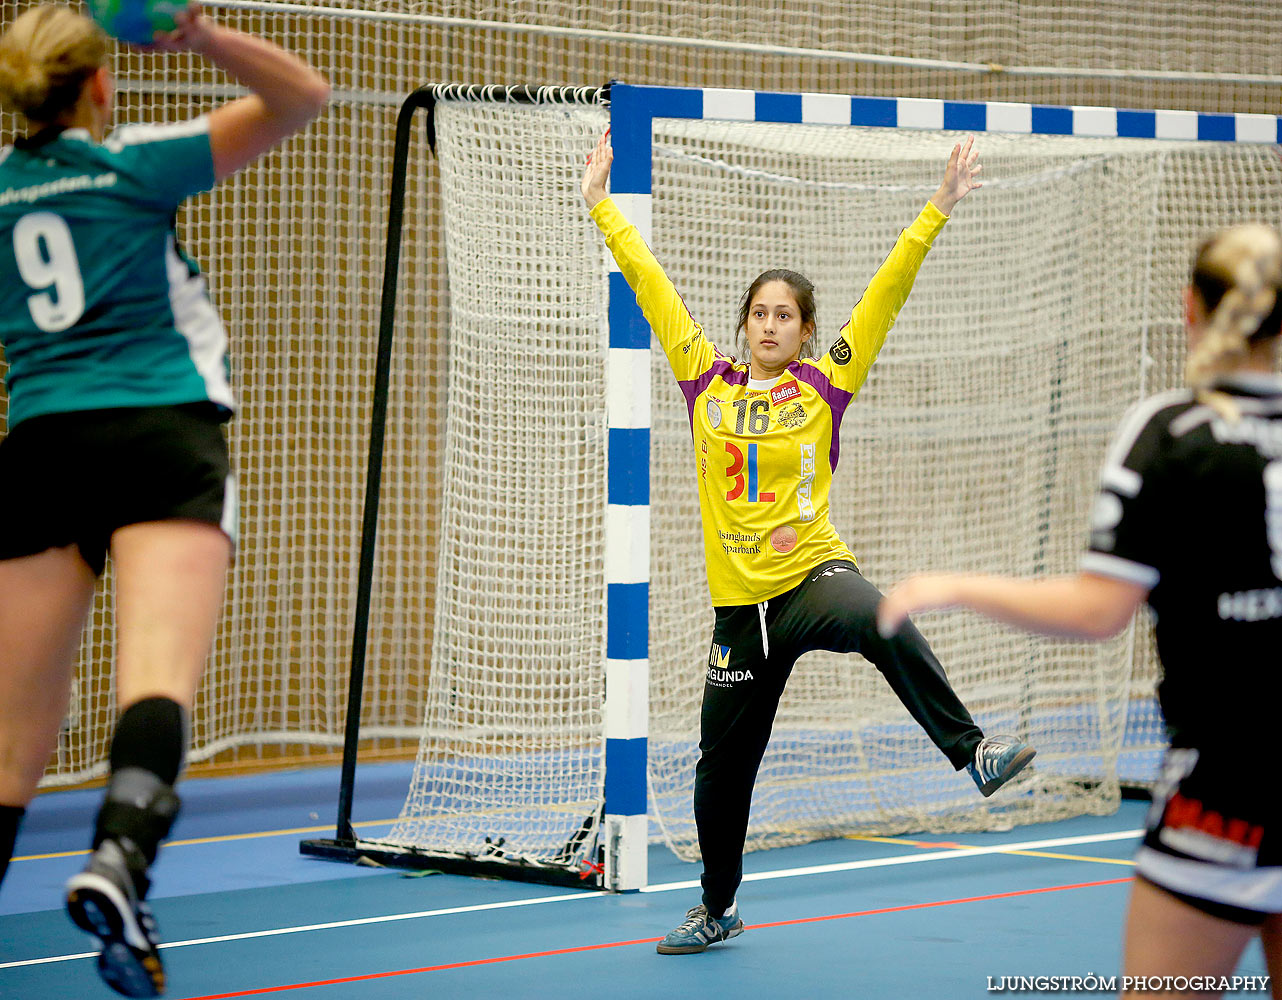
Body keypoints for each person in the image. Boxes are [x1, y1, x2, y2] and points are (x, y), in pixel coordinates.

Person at [581, 130, 1036, 956]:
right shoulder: (704, 381)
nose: (768, 324)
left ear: (806, 329)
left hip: (812, 578)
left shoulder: (826, 384)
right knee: (719, 781)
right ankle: (716, 908)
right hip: (740, 616)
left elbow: (884, 298)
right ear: (743, 324)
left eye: (783, 315)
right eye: (758, 313)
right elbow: (653, 289)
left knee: (877, 614)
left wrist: (935, 210)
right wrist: (603, 207)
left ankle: (974, 755)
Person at [0, 4, 328, 996]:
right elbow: (302, 96)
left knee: (12, 745)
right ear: (99, 85)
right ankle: (119, 856)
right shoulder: (132, 162)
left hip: (39, 448)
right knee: (154, 680)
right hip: (159, 436)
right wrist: (198, 33)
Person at [877, 224, 1282, 998]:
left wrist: (953, 585)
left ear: (1190, 308)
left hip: (1225, 795)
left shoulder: (1171, 432)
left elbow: (1100, 610)